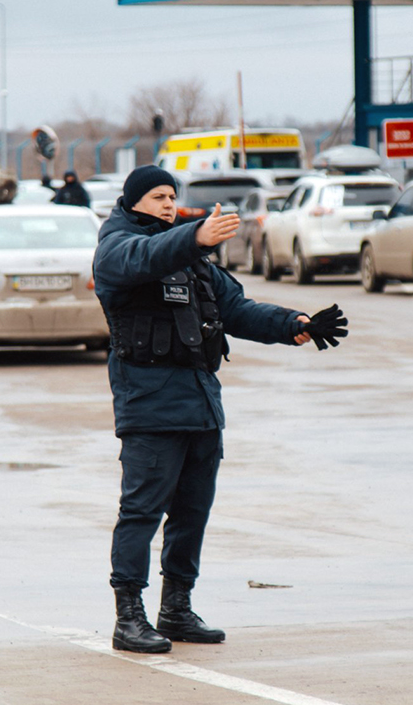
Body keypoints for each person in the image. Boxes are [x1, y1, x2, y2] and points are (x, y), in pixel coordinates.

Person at [92, 165, 348, 654]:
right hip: (149, 407)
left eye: (172, 196)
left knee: (192, 512)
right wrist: (195, 236)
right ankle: (129, 616)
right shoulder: (117, 247)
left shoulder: (193, 260)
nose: (169, 204)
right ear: (132, 201)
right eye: (158, 197)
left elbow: (237, 309)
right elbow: (143, 257)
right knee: (141, 512)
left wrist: (294, 324)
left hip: (201, 405)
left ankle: (176, 608)